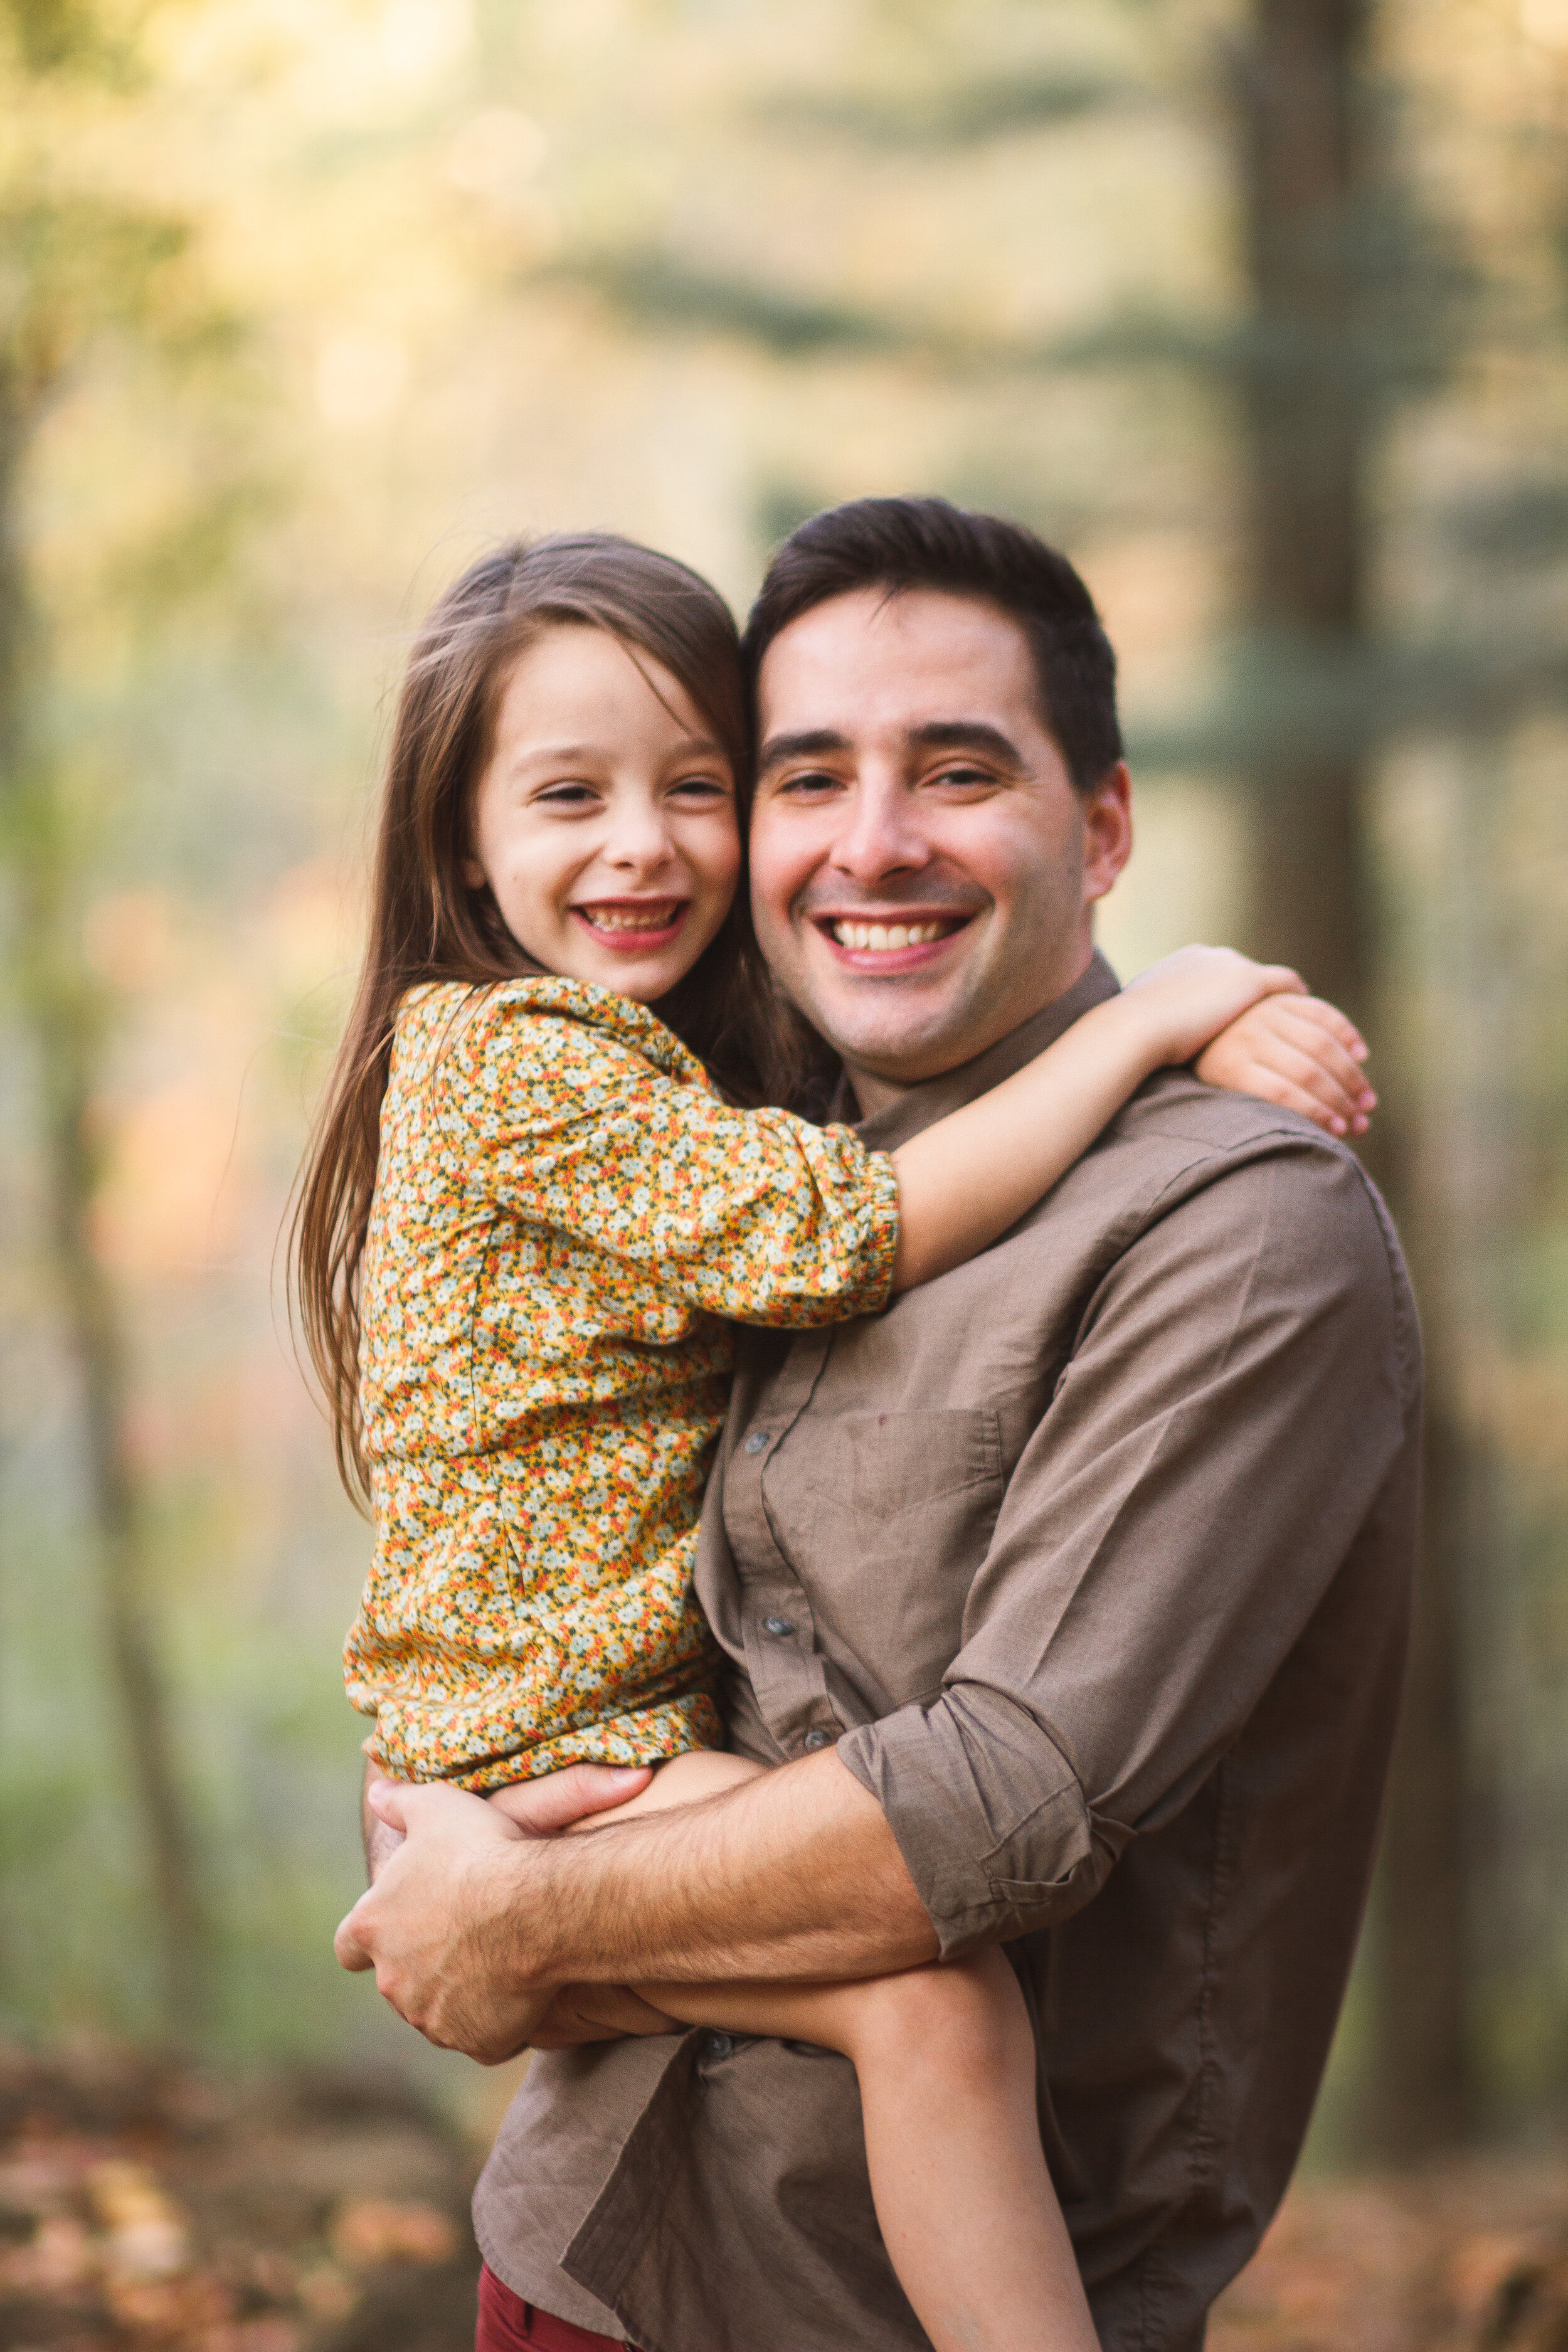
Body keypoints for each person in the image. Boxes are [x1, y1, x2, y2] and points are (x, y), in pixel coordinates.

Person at [331, 502, 1417, 2352]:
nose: (871, 842)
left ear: (1103, 829)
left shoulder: (1234, 1231)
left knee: (940, 2001)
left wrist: (516, 1921)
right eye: (804, 774)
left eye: (958, 770)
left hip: (853, 2305)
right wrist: (1156, 1018)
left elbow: (1000, 1804)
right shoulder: (749, 1126)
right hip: (587, 2249)